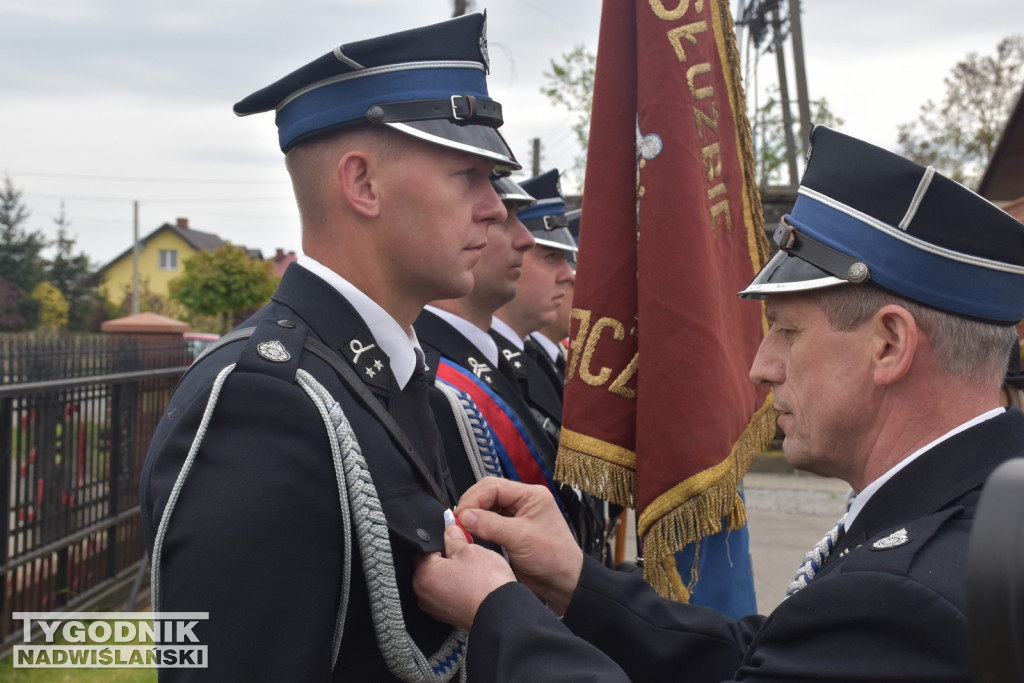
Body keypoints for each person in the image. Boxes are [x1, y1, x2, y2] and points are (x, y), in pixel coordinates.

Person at [413, 125, 1024, 681]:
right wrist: (576, 583)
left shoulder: (903, 596)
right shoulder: (977, 510)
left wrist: (502, 614)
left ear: (889, 345)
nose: (762, 367)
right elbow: (761, 654)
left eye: (787, 330)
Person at [140, 14, 518, 681]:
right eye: (470, 175)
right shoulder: (263, 403)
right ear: (362, 184)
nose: (494, 207)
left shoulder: (397, 381)